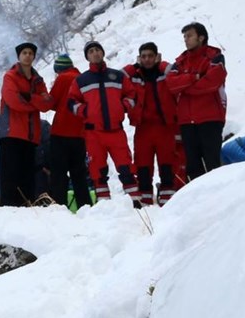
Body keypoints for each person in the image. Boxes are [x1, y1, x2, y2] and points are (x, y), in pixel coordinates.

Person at [68, 41, 140, 204]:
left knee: (126, 168)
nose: (95, 53)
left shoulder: (118, 76)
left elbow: (132, 95)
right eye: (91, 51)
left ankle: (135, 202)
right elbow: (71, 103)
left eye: (98, 50)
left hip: (116, 131)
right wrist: (86, 111)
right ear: (87, 57)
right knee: (98, 171)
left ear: (103, 52)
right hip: (94, 134)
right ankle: (104, 204)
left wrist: (124, 106)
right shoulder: (81, 80)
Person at [165, 22, 227, 182]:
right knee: (193, 167)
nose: (186, 39)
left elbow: (212, 82)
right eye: (184, 36)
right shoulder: (180, 61)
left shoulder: (215, 57)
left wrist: (185, 87)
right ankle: (200, 203)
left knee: (213, 164)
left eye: (190, 36)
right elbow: (171, 84)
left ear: (201, 37)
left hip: (210, 118)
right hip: (187, 122)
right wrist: (195, 77)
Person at [0, 42, 54, 206]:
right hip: (11, 133)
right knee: (10, 176)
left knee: (28, 176)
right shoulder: (10, 76)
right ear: (19, 56)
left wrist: (29, 97)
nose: (28, 55)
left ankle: (26, 206)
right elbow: (13, 100)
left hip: (30, 135)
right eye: (24, 53)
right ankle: (9, 207)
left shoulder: (38, 80)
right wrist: (35, 101)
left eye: (30, 53)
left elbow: (47, 104)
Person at [124, 42, 179, 206]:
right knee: (142, 165)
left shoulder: (165, 73)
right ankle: (145, 198)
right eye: (144, 56)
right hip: (143, 127)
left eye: (150, 56)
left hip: (165, 126)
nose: (147, 59)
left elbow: (176, 70)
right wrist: (134, 66)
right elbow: (118, 76)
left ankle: (167, 199)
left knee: (167, 163)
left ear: (157, 56)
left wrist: (161, 64)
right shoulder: (135, 75)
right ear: (139, 58)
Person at [47, 53, 93, 210]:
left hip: (61, 131)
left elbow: (52, 102)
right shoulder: (82, 78)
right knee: (79, 174)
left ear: (59, 69)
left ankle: (60, 208)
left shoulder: (63, 78)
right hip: (79, 134)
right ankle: (85, 207)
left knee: (59, 174)